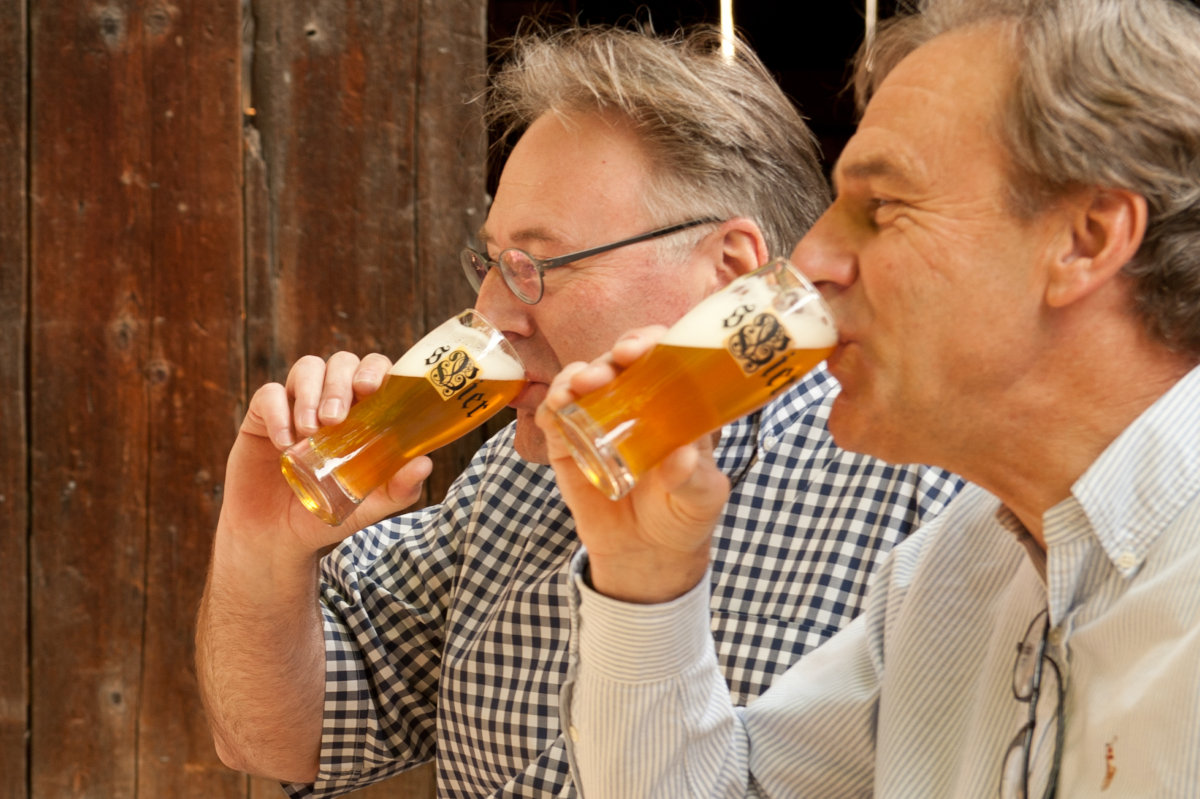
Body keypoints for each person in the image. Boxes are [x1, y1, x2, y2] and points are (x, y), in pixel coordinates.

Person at [195, 23, 963, 799]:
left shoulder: (921, 496)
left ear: (730, 269)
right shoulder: (513, 477)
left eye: (535, 265)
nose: (493, 314)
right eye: (491, 262)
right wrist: (259, 547)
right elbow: (279, 737)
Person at [541, 0, 1200, 796]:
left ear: (1084, 239)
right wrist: (646, 574)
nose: (810, 258)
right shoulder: (956, 567)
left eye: (881, 208)